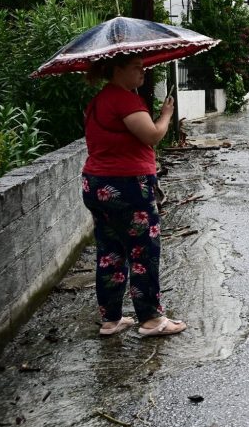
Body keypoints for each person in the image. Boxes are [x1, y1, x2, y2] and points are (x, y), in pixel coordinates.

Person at [82, 53, 186, 337]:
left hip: (97, 185)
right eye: (136, 68)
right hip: (127, 186)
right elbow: (152, 135)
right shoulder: (124, 99)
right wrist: (165, 116)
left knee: (110, 252)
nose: (142, 72)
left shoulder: (99, 101)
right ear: (117, 70)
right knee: (144, 251)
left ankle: (111, 319)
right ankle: (152, 319)